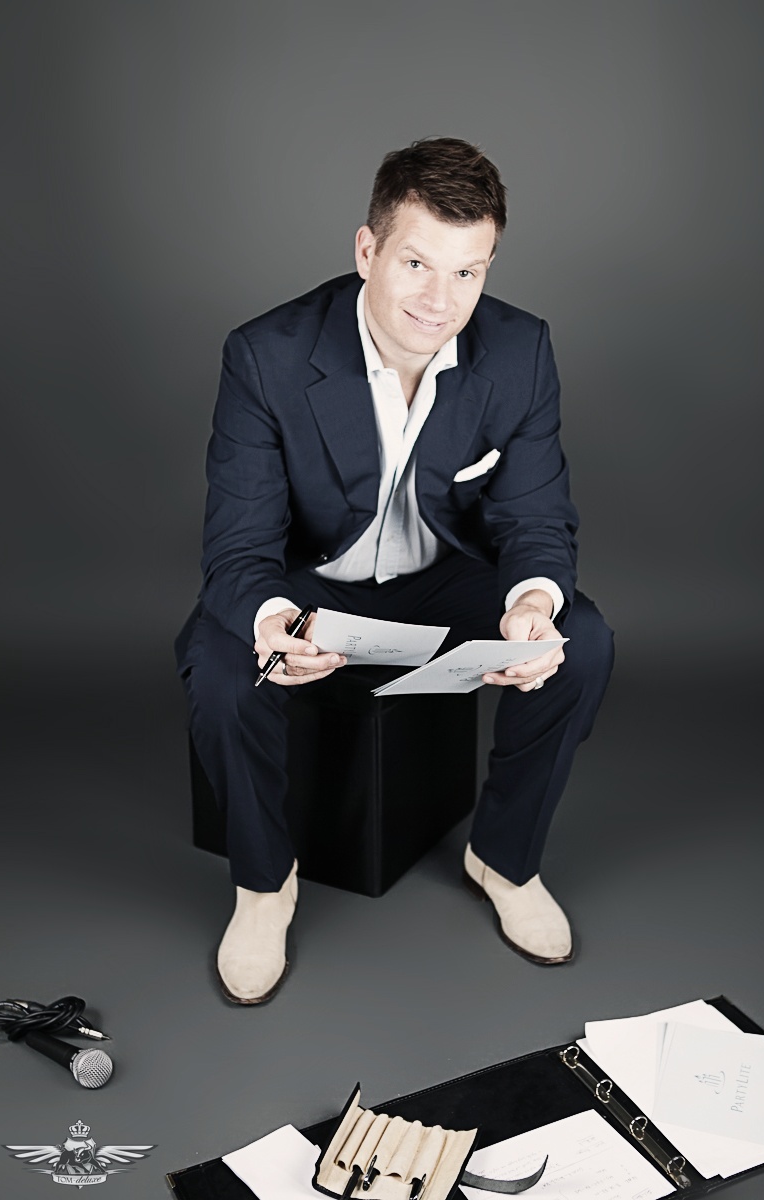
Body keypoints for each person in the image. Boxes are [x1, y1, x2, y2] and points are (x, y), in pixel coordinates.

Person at [175, 137, 614, 1004]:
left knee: (582, 642)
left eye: (466, 272)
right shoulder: (265, 354)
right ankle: (264, 887)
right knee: (221, 668)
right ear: (367, 250)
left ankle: (504, 860)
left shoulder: (520, 350)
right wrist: (272, 622)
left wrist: (530, 604)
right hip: (309, 581)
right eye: (417, 263)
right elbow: (239, 546)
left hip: (443, 578)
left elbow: (533, 517)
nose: (440, 301)